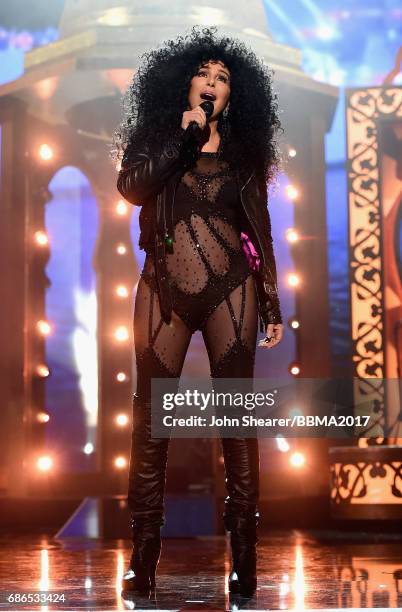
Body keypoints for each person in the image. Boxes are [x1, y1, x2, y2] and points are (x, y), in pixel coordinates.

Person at [113, 25, 284, 598]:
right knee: (149, 421)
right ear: (183, 84)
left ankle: (244, 559)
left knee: (236, 425)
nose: (212, 84)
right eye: (204, 74)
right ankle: (142, 555)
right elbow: (132, 189)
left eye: (223, 78)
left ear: (235, 96)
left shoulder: (243, 156)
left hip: (231, 291)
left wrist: (271, 299)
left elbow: (258, 230)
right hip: (162, 289)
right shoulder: (158, 138)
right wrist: (181, 143)